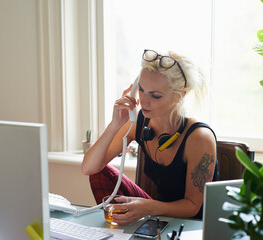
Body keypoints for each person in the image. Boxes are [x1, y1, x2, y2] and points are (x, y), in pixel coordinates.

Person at [81, 49, 218, 226]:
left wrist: (149, 207)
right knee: (98, 173)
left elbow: (193, 206)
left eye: (155, 95)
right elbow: (88, 168)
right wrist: (116, 123)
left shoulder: (199, 138)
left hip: (192, 225)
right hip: (155, 213)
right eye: (142, 90)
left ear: (179, 96)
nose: (144, 101)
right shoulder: (137, 122)